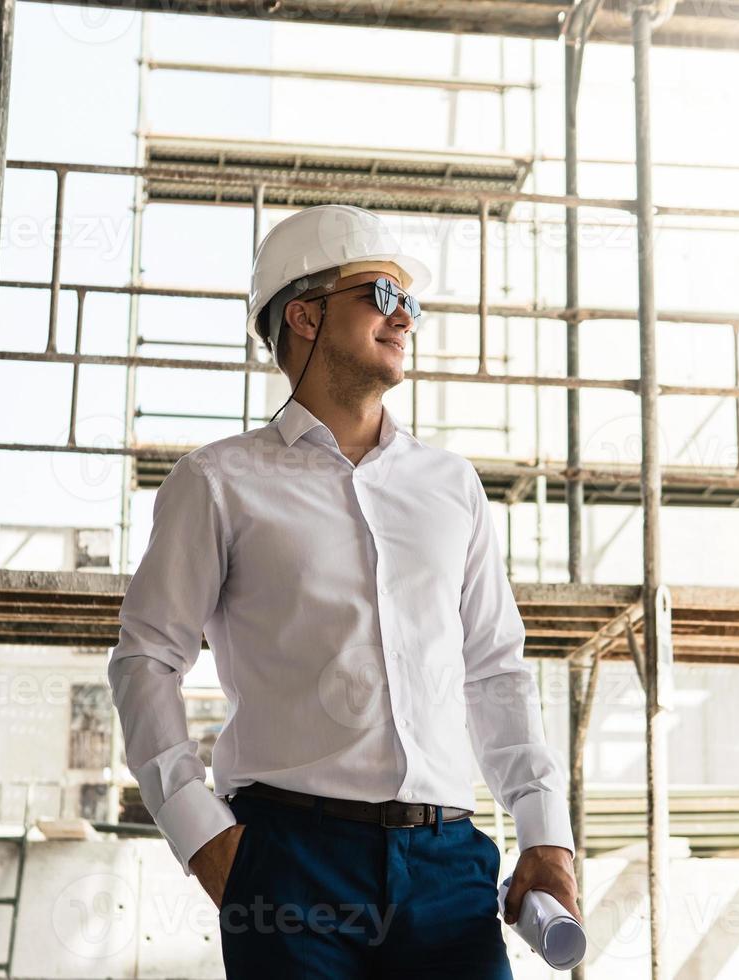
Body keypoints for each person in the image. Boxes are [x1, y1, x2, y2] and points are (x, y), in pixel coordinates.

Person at [108, 204, 579, 978]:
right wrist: (205, 839)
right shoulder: (218, 482)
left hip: (447, 867)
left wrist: (545, 832)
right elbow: (146, 662)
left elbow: (495, 669)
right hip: (290, 867)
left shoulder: (450, 485)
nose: (405, 319)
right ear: (303, 314)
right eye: (381, 296)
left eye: (412, 303)